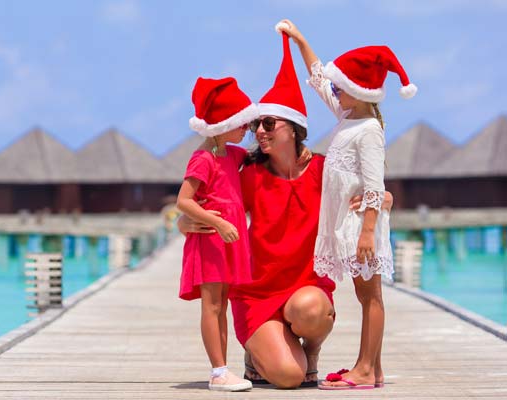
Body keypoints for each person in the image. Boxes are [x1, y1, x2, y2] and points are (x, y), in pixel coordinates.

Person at [177, 28, 395, 390]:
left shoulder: (325, 170)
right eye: (255, 124)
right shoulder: (248, 173)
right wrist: (185, 222)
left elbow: (364, 185)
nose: (259, 131)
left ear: (293, 129)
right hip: (256, 294)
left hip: (306, 291)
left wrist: (385, 198)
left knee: (313, 311)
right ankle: (260, 355)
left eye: (268, 123)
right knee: (289, 378)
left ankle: (311, 352)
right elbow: (208, 199)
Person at [277, 19, 416, 390]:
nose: (334, 90)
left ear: (358, 90)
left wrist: (368, 232)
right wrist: (300, 40)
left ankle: (365, 369)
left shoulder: (369, 130)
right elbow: (319, 76)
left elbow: (374, 185)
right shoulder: (347, 116)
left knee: (370, 296)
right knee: (365, 294)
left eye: (341, 87)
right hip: (351, 223)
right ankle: (373, 369)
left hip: (361, 225)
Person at [177, 77, 259, 392]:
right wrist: (221, 224)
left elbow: (255, 159)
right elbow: (184, 201)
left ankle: (223, 368)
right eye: (241, 123)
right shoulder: (204, 158)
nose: (246, 129)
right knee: (212, 305)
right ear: (222, 124)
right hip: (212, 240)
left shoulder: (230, 154)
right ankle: (217, 371)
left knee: (222, 304)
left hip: (226, 242)